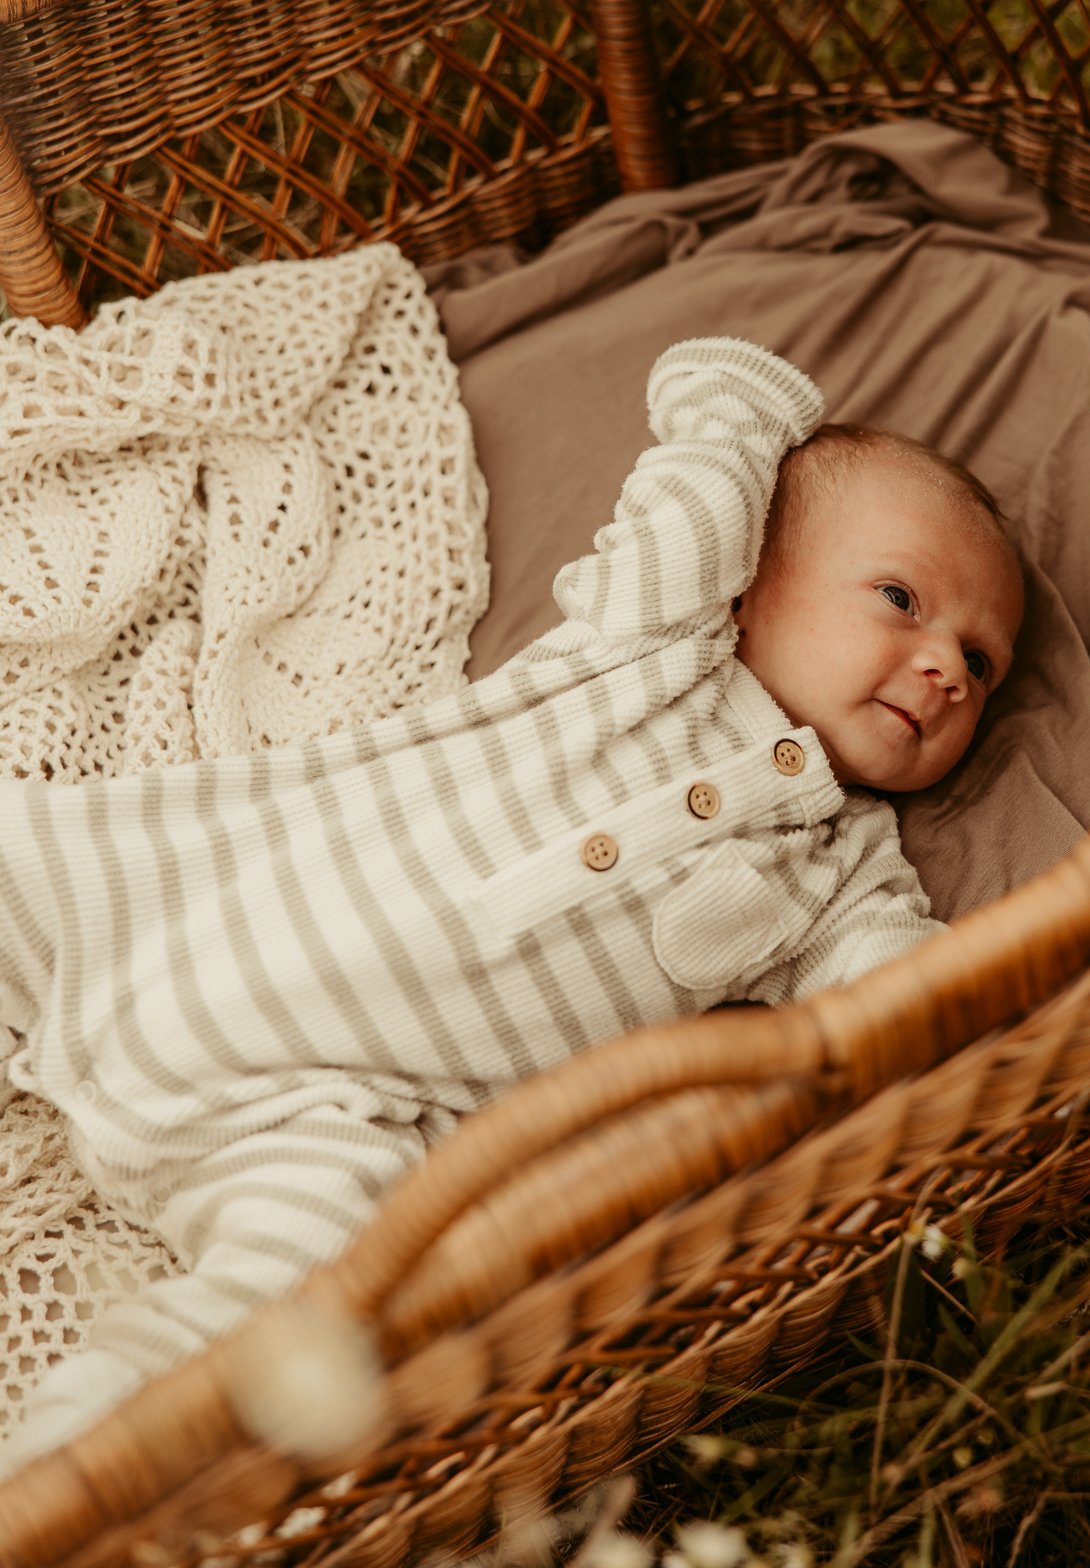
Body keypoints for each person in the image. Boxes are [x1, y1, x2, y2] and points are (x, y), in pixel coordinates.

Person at [0, 337, 1023, 1467]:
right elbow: (693, 491)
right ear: (755, 569)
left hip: (317, 1106)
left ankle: (59, 1486)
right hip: (154, 901)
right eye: (901, 597)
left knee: (307, 1312)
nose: (945, 668)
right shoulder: (648, 649)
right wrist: (748, 405)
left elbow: (901, 1000)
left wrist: (975, 1018)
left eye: (982, 663)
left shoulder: (841, 870)